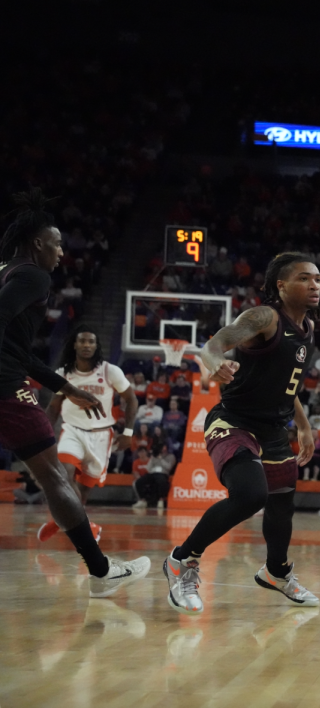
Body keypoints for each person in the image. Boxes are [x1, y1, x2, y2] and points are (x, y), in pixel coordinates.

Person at [0, 189, 150, 596]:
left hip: (14, 377)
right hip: (6, 391)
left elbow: (18, 352)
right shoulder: (33, 275)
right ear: (37, 244)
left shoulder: (6, 271)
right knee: (53, 478)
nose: (62, 252)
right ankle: (101, 574)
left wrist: (65, 387)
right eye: (57, 243)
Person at [163, 252, 320, 615]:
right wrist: (215, 359)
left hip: (273, 431)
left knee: (282, 505)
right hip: (233, 422)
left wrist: (304, 425)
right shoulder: (264, 316)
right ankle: (181, 560)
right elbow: (215, 342)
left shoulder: (308, 329)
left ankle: (276, 573)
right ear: (281, 286)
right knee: (252, 495)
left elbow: (288, 385)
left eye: (316, 279)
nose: (313, 285)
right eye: (303, 278)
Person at [37, 324, 139, 542]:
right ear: (75, 344)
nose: (86, 345)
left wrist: (128, 432)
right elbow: (54, 407)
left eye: (91, 341)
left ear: (96, 346)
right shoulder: (63, 373)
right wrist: (43, 436)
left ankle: (60, 520)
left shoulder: (110, 371)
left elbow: (131, 399)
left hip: (102, 436)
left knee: (81, 494)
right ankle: (87, 526)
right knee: (64, 475)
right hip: (72, 431)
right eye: (82, 341)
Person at [133, 443, 175, 509]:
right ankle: (142, 500)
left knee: (162, 482)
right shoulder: (154, 457)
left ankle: (161, 500)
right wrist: (152, 459)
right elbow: (148, 468)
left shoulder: (171, 456)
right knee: (139, 482)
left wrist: (160, 459)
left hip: (163, 473)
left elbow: (168, 467)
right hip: (153, 473)